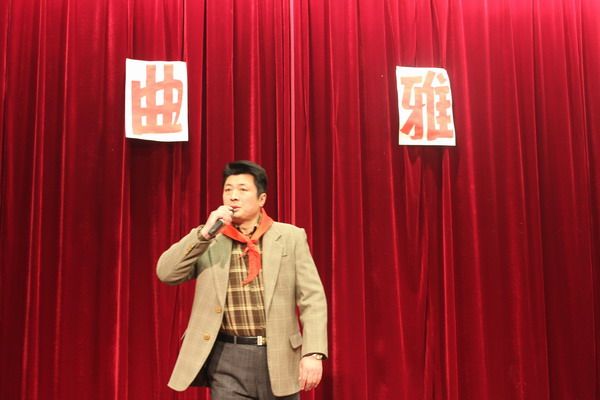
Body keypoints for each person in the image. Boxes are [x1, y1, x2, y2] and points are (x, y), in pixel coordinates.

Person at [157, 160, 328, 399]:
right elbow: (167, 273)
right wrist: (203, 234)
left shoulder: (290, 236)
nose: (233, 196)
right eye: (228, 189)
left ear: (262, 199)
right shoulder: (209, 239)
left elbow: (312, 298)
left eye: (242, 189)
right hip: (226, 356)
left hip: (279, 354)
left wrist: (313, 352)